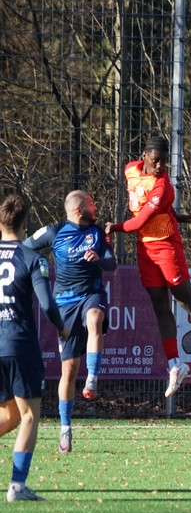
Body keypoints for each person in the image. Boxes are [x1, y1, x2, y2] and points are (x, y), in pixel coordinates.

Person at [105, 136, 191, 397]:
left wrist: (113, 227)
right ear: (144, 157)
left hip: (166, 246)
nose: (161, 166)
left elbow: (140, 221)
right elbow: (153, 213)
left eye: (164, 161)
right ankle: (175, 365)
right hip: (145, 249)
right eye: (156, 160)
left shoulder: (162, 186)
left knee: (186, 301)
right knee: (160, 306)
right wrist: (179, 216)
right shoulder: (130, 170)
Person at [23, 191, 117, 453]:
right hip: (64, 304)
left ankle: (93, 379)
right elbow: (25, 247)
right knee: (69, 370)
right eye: (91, 204)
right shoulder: (55, 232)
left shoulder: (97, 233)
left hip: (91, 295)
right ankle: (65, 428)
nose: (95, 207)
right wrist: (38, 265)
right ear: (78, 209)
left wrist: (100, 259)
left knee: (95, 318)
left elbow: (112, 263)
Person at [0, 194, 70, 501]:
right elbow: (47, 304)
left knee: (9, 415)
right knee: (29, 415)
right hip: (19, 344)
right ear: (26, 224)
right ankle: (17, 486)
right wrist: (62, 327)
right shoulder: (32, 258)